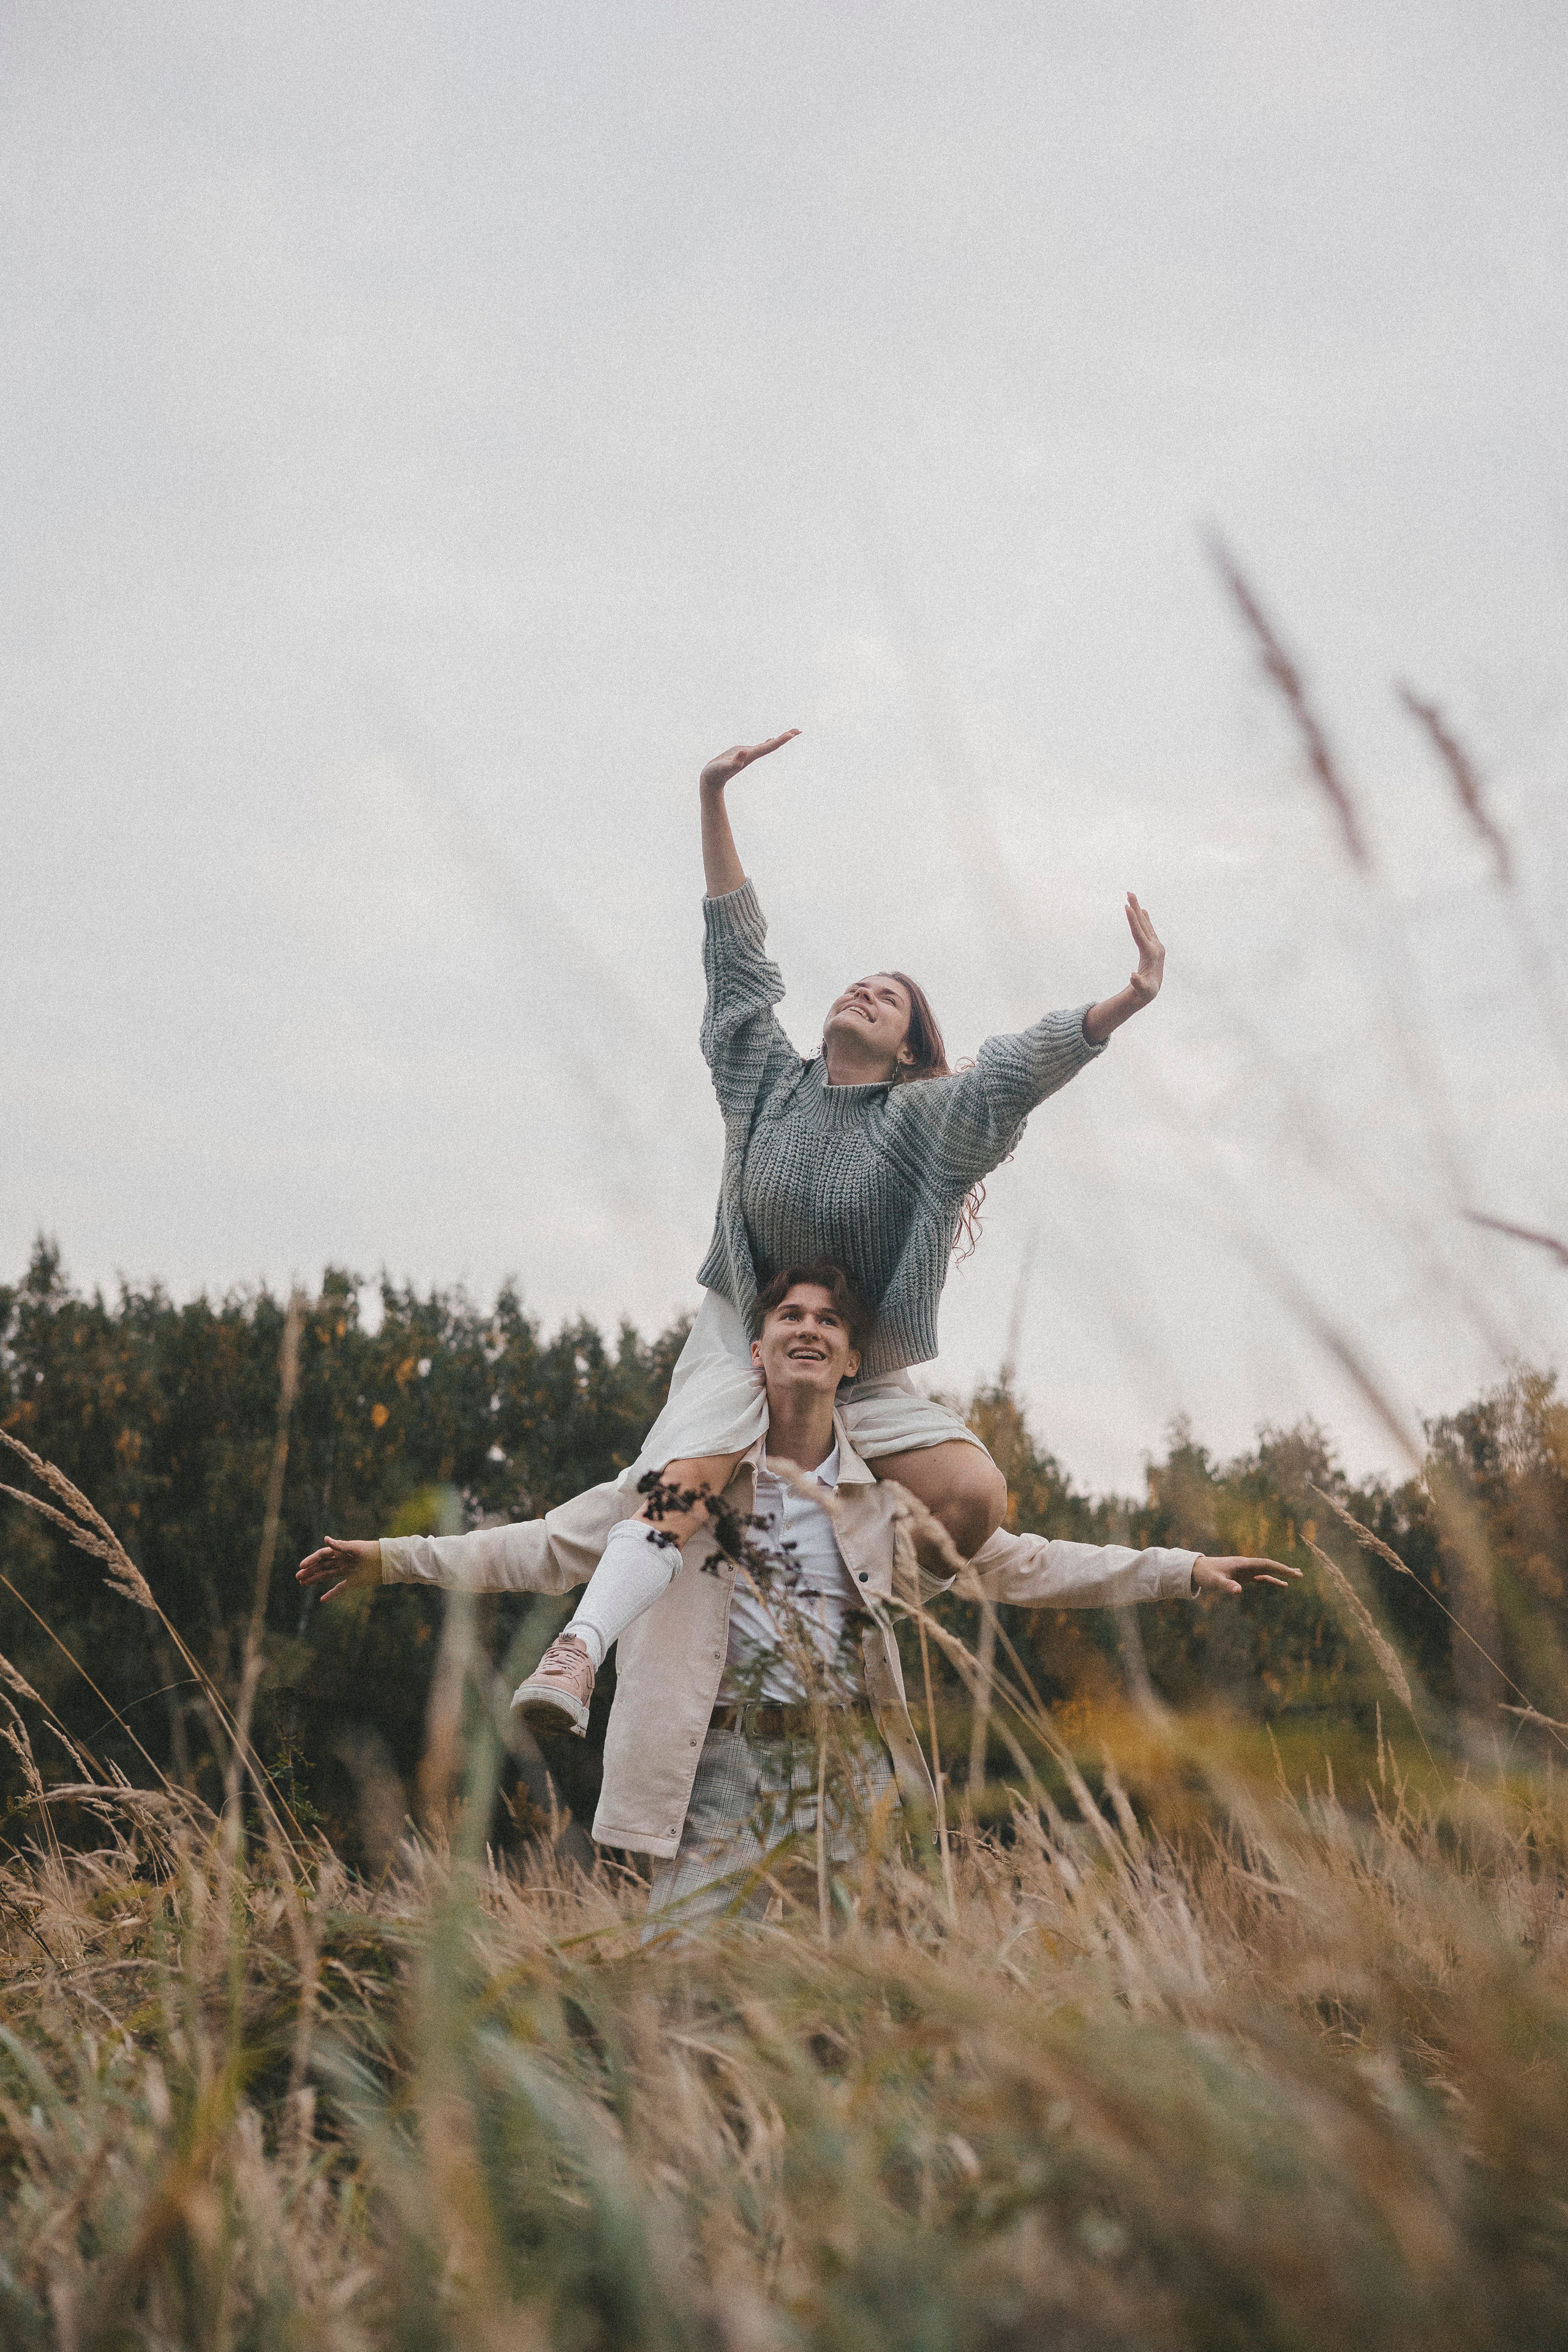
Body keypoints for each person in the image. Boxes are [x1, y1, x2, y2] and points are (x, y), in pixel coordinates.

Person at [297, 1265, 1300, 1931]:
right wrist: (392, 1558)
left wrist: (1179, 1570)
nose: (809, 1330)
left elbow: (1021, 1563)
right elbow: (542, 1550)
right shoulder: (683, 1485)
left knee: (864, 2005)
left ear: (855, 1360)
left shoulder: (882, 1497)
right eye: (789, 1318)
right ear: (757, 1353)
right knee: (692, 2001)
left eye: (828, 1321)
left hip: (856, 1769)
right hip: (715, 1768)